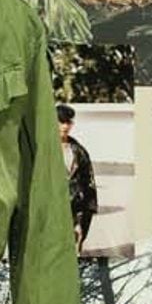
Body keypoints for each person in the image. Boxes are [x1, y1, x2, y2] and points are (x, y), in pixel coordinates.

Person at [56, 103, 98, 251]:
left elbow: (89, 183)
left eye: (68, 122)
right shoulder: (41, 150)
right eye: (61, 121)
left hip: (75, 209)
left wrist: (88, 211)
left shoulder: (79, 151)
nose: (65, 126)